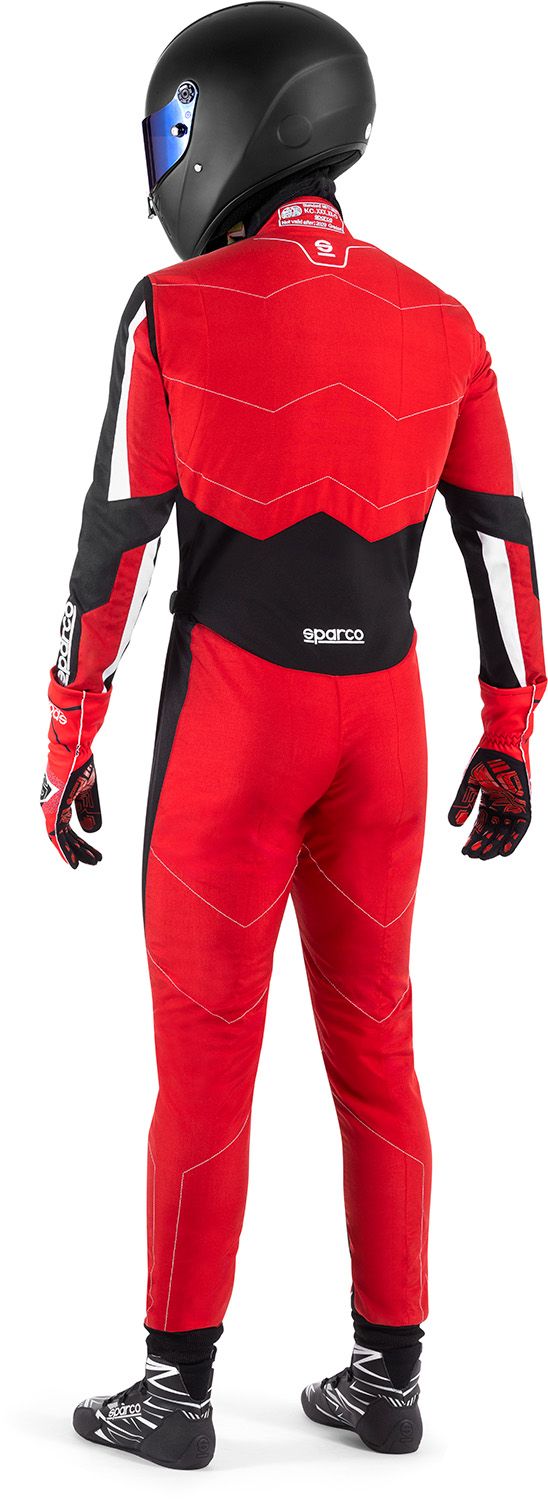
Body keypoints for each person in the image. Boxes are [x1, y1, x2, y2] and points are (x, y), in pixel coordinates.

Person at [41, 2, 545, 1469]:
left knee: (206, 1067)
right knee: (379, 1049)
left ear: (221, 125)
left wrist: (69, 735)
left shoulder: (169, 307)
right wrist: (509, 733)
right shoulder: (445, 317)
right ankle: (389, 1381)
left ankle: (177, 1395)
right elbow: (502, 545)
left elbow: (116, 545)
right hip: (384, 726)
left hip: (234, 730)